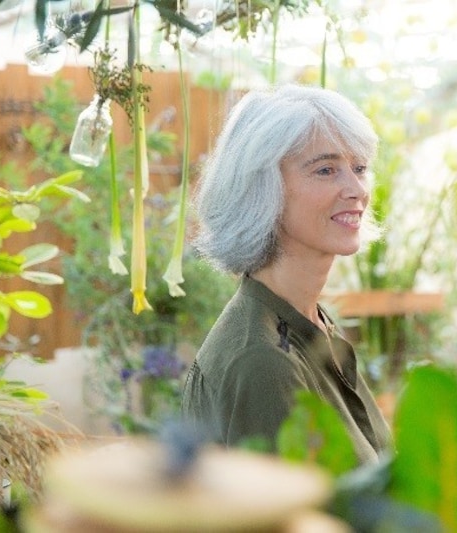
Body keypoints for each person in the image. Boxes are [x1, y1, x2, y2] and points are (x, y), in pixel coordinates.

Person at [181, 84, 391, 466]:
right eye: (326, 170)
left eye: (359, 168)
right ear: (263, 189)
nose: (357, 188)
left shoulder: (309, 324)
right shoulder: (262, 362)